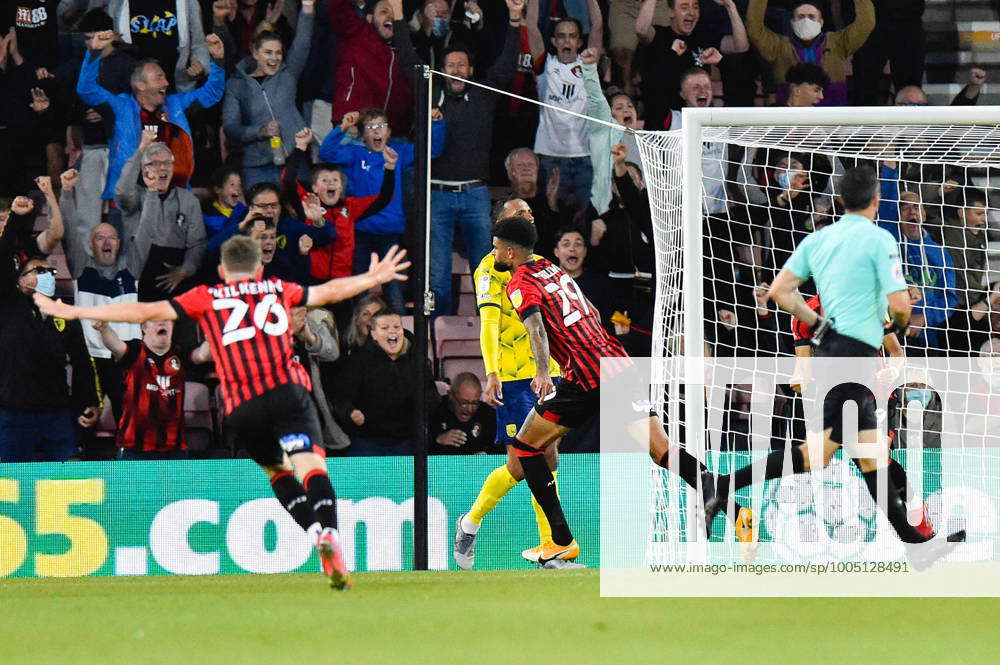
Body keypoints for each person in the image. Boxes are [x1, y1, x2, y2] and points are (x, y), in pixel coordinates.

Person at [35, 235, 411, 589]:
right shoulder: (279, 289)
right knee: (310, 466)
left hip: (244, 405)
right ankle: (329, 533)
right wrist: (369, 278)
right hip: (287, 394)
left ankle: (313, 535)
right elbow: (328, 291)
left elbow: (144, 310)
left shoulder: (207, 296)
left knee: (278, 471)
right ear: (259, 270)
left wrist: (75, 308)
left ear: (221, 272)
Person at [712, 166, 964, 568]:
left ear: (841, 201)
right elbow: (900, 306)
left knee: (867, 457)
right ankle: (720, 486)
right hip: (853, 357)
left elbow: (779, 292)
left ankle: (917, 546)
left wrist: (816, 324)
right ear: (878, 200)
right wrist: (898, 325)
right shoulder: (879, 239)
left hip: (833, 354)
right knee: (823, 456)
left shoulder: (819, 239)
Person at [480, 214, 738, 565]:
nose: (493, 252)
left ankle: (561, 542)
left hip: (585, 376)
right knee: (661, 450)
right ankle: (736, 511)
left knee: (526, 447)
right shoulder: (554, 271)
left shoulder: (519, 282)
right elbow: (594, 311)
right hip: (618, 363)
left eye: (496, 247)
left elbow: (537, 331)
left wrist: (542, 372)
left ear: (509, 252)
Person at [453, 200, 563, 570]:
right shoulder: (489, 269)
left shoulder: (537, 263)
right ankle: (471, 521)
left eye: (531, 212)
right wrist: (492, 372)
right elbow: (488, 324)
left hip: (548, 373)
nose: (530, 216)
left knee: (547, 457)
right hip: (515, 377)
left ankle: (550, 545)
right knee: (521, 463)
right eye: (520, 213)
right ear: (501, 224)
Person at [427, 0, 524, 314]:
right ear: (443, 70)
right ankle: (436, 340)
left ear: (471, 70)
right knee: (438, 277)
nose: (457, 69)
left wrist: (514, 20)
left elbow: (507, 65)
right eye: (451, 65)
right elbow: (406, 58)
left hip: (475, 194)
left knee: (488, 273)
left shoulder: (482, 95)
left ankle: (492, 330)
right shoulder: (430, 94)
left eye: (462, 65)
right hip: (438, 195)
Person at [318, 106, 445, 311]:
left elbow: (433, 150)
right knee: (360, 295)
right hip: (360, 233)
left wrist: (437, 124)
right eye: (371, 127)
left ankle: (403, 338)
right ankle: (360, 339)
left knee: (395, 296)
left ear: (389, 132)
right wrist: (342, 128)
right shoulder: (354, 155)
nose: (377, 132)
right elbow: (326, 152)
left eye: (382, 126)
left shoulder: (398, 153)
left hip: (391, 234)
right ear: (362, 135)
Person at [0, 257, 102, 462]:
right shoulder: (7, 307)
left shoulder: (63, 313)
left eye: (51, 272)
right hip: (14, 412)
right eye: (39, 270)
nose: (48, 276)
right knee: (9, 479)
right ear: (20, 280)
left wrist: (90, 400)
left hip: (56, 411)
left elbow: (82, 361)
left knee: (73, 472)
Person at [222, 0, 315, 187]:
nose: (275, 58)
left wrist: (307, 7)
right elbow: (231, 128)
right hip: (257, 166)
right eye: (268, 53)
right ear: (255, 53)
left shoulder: (288, 73)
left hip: (294, 159)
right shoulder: (236, 84)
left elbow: (303, 42)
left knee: (300, 213)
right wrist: (260, 131)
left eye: (278, 53)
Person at [93, 318, 212, 460]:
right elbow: (115, 345)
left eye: (167, 321)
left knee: (173, 483)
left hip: (175, 448)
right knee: (133, 484)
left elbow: (203, 355)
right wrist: (104, 327)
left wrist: (214, 333)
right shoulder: (135, 351)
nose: (162, 323)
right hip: (134, 447)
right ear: (144, 327)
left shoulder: (180, 352)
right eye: (155, 321)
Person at [332, 308, 438, 455]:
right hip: (367, 441)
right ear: (373, 334)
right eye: (385, 328)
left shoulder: (417, 359)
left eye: (396, 327)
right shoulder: (358, 360)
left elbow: (432, 396)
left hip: (407, 440)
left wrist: (422, 403)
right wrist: (350, 412)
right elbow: (341, 398)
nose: (392, 332)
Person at [115, 132, 207, 300]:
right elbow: (121, 193)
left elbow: (198, 243)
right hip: (138, 279)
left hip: (176, 280)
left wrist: (186, 269)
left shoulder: (188, 200)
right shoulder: (134, 197)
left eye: (167, 163)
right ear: (144, 169)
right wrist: (141, 150)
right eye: (156, 163)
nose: (163, 168)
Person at [528, 12, 603, 212]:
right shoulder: (546, 65)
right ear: (554, 41)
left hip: (585, 157)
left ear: (579, 42)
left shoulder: (588, 65)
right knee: (551, 218)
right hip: (551, 157)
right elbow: (531, 26)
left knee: (588, 221)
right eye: (561, 36)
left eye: (572, 36)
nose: (567, 40)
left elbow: (597, 27)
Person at [636, 0, 748, 130]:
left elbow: (741, 46)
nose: (691, 12)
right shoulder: (659, 35)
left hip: (700, 118)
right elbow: (641, 31)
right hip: (663, 123)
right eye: (684, 7)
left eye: (695, 7)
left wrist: (730, 6)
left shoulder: (705, 36)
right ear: (671, 12)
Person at [746, 0, 874, 106]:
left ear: (821, 22)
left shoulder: (837, 42)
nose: (806, 21)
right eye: (801, 17)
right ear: (792, 23)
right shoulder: (778, 46)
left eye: (812, 17)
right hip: (792, 121)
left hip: (833, 117)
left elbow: (866, 22)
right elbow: (754, 27)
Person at [328, 0, 416, 136]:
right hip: (354, 127)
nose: (390, 16)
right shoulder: (358, 33)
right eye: (384, 11)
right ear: (369, 18)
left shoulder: (405, 54)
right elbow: (337, 7)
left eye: (394, 12)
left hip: (389, 138)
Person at [896, 191, 957, 353]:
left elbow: (950, 298)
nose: (912, 212)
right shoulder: (888, 248)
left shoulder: (940, 253)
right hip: (892, 334)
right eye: (904, 207)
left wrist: (924, 317)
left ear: (923, 214)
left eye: (916, 207)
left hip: (929, 338)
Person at [429, 373, 498, 455]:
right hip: (440, 466)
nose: (469, 409)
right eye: (464, 403)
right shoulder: (435, 411)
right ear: (450, 395)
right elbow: (415, 445)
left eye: (475, 403)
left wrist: (487, 454)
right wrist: (438, 440)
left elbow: (502, 447)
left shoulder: (488, 415)